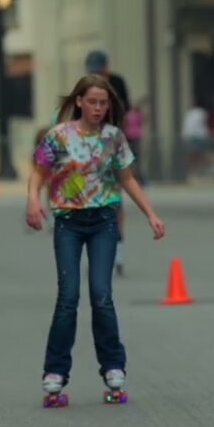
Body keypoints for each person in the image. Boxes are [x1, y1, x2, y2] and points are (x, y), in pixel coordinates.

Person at [27, 74, 165, 407]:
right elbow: (38, 173)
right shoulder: (59, 136)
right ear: (79, 101)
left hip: (104, 221)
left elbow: (127, 179)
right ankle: (55, 372)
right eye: (92, 102)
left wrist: (150, 213)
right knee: (69, 296)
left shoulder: (113, 138)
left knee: (102, 295)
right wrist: (33, 199)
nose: (98, 108)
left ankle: (114, 368)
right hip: (68, 223)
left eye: (103, 103)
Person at [85, 49, 132, 275]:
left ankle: (118, 252)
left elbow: (125, 110)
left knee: (114, 200)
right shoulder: (86, 87)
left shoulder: (117, 83)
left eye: (98, 70)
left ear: (106, 67)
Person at [181, 102, 211, 174]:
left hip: (197, 136)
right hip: (196, 136)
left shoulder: (198, 113)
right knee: (196, 154)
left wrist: (186, 135)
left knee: (197, 154)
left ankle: (199, 169)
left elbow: (192, 126)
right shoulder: (191, 113)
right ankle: (195, 170)